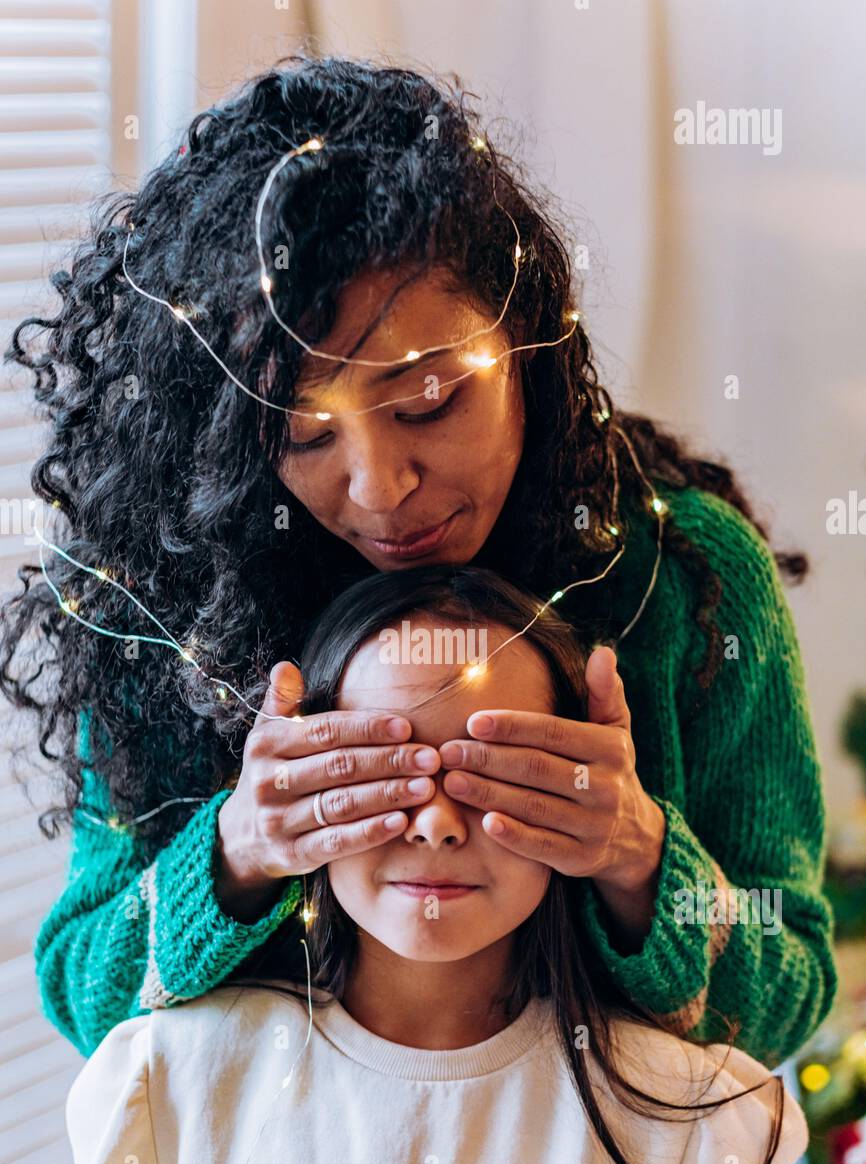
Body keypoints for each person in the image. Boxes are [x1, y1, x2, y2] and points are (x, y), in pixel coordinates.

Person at [1, 55, 834, 1067]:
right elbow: (88, 997)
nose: (380, 488)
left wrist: (636, 857)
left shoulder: (682, 580)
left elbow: (786, 996)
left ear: (526, 339)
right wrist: (238, 851)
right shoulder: (175, 594)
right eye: (303, 435)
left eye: (430, 403)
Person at [44, 567, 808, 1164]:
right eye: (385, 774)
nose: (437, 824)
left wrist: (644, 860)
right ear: (299, 784)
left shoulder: (674, 1122)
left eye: (495, 778)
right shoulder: (178, 1082)